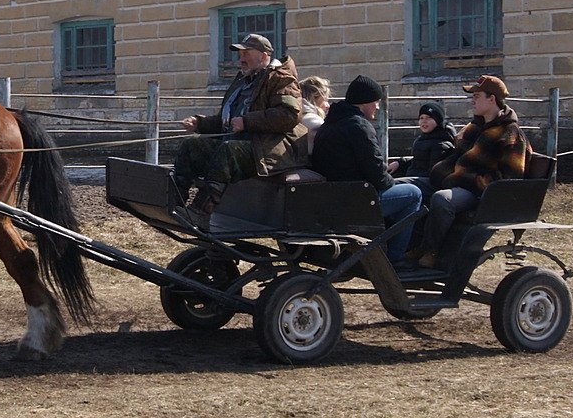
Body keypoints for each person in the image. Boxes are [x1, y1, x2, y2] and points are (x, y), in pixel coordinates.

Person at [173, 33, 308, 225]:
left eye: (246, 53)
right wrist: (199, 123)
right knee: (191, 146)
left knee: (229, 151)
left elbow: (289, 115)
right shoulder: (243, 81)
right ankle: (174, 202)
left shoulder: (281, 79)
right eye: (240, 54)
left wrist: (248, 122)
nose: (241, 59)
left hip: (269, 150)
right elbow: (228, 120)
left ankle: (200, 212)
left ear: (263, 55)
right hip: (243, 146)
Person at [414, 75, 531, 268]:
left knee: (442, 200)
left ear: (491, 99)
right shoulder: (474, 128)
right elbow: (456, 156)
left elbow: (509, 177)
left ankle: (431, 251)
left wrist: (467, 179)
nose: (472, 101)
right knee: (408, 187)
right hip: (454, 181)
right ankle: (404, 246)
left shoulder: (510, 133)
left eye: (477, 96)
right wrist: (440, 172)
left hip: (479, 193)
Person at [310, 75, 422, 269]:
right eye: (375, 103)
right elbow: (377, 173)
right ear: (364, 103)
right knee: (414, 193)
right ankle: (395, 257)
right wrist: (391, 180)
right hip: (357, 201)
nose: (377, 107)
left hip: (335, 196)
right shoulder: (358, 126)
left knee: (402, 187)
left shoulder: (330, 124)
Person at [389, 102, 456, 193]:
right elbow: (419, 161)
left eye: (428, 118)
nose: (424, 121)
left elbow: (434, 174)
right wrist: (400, 163)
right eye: (421, 118)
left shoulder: (441, 144)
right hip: (416, 179)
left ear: (438, 120)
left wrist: (410, 175)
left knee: (392, 184)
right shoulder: (423, 138)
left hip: (429, 184)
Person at [299, 75, 331, 153]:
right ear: (314, 97)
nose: (327, 105)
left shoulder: (293, 115)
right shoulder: (315, 123)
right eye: (324, 100)